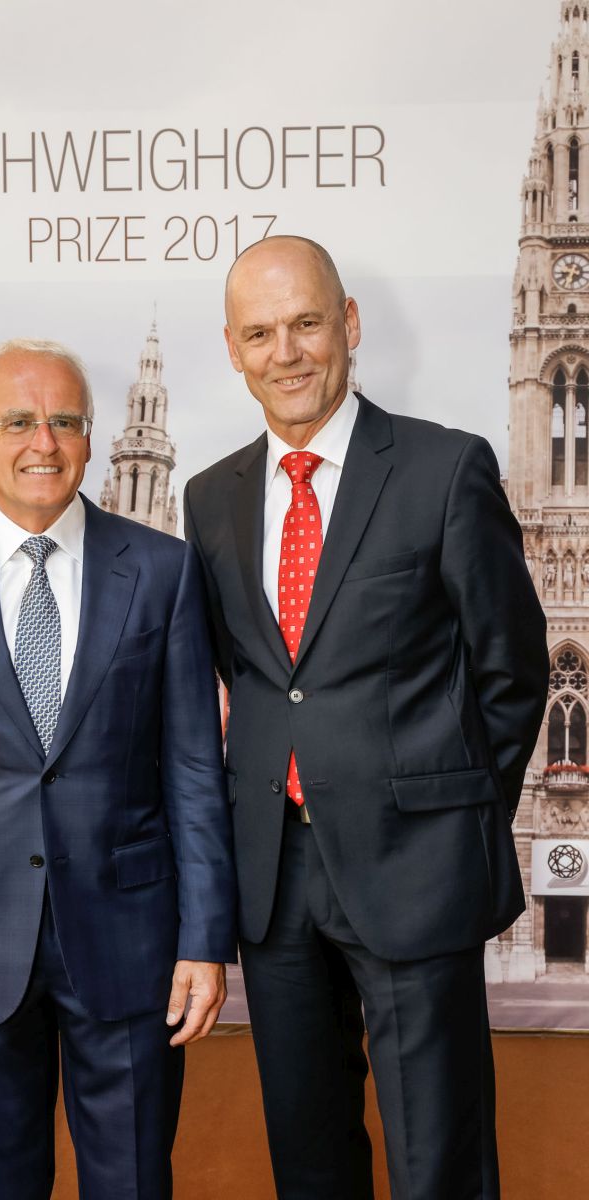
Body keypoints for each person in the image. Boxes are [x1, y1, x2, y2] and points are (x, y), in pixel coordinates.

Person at [184, 236, 549, 1199]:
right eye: (260, 333)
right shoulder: (209, 499)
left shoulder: (444, 468)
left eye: (306, 323)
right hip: (272, 878)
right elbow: (245, 678)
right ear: (233, 348)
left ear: (348, 324)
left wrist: (453, 813)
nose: (286, 352)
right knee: (308, 1159)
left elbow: (511, 670)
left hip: (416, 866)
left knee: (439, 1162)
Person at [0, 338, 237, 1200]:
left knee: (133, 1181)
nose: (44, 443)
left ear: (93, 437)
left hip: (132, 943)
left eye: (65, 420)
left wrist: (205, 940)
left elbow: (193, 771)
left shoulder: (164, 572)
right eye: (18, 421)